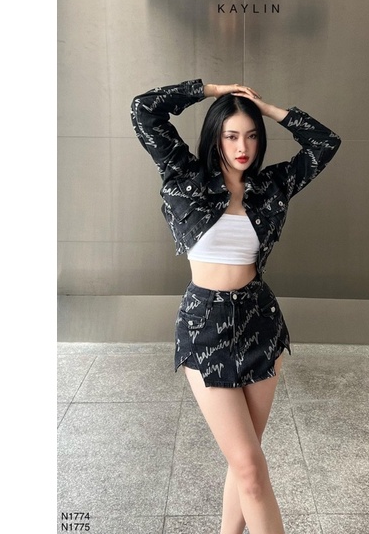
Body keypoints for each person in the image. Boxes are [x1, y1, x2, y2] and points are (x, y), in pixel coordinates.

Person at [131, 79, 341, 534]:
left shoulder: (271, 186)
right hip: (203, 325)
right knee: (248, 464)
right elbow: (144, 109)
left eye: (250, 136)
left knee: (247, 462)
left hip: (259, 322)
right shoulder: (184, 175)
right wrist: (212, 89)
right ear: (215, 138)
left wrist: (267, 109)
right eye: (231, 136)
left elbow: (325, 143)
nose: (242, 147)